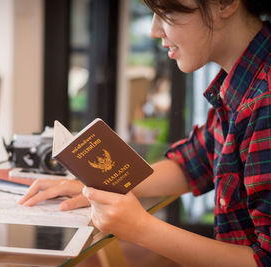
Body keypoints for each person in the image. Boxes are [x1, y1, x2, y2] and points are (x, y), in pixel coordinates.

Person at [19, 0, 271, 266]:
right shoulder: (243, 83)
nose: (153, 30)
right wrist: (96, 187)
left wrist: (140, 228)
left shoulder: (264, 99)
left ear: (225, 3)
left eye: (166, 12)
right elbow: (195, 161)